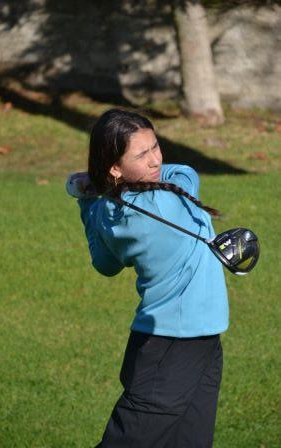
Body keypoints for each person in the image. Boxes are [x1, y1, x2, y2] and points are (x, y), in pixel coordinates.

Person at [66, 108, 229, 448]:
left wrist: (88, 197)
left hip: (191, 340)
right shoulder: (172, 193)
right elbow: (185, 170)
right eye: (142, 154)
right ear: (115, 165)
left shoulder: (105, 213)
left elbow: (105, 264)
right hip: (173, 346)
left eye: (156, 146)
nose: (156, 160)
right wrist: (98, 188)